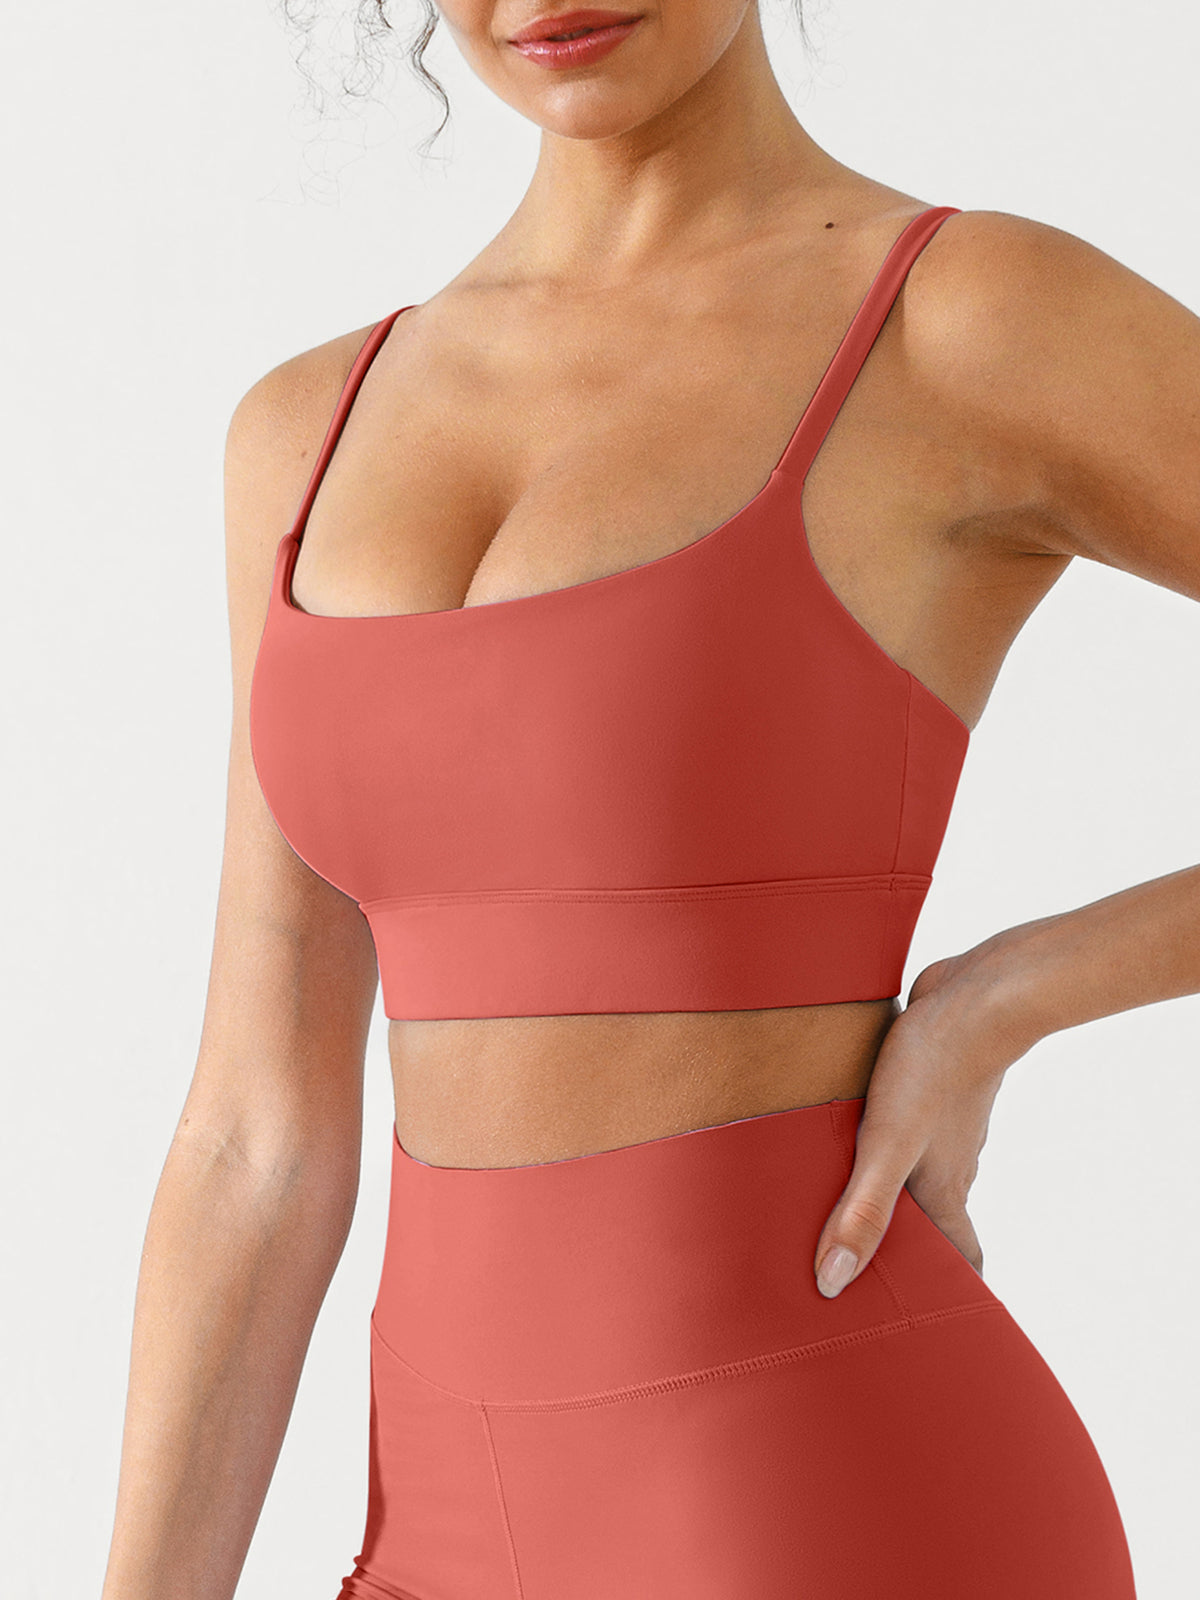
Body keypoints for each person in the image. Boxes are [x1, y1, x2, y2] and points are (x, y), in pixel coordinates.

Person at [100, 1, 1200, 1596]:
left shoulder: (960, 318)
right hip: (436, 1541)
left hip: (829, 1511)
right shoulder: (304, 429)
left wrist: (1011, 992)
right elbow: (254, 1141)